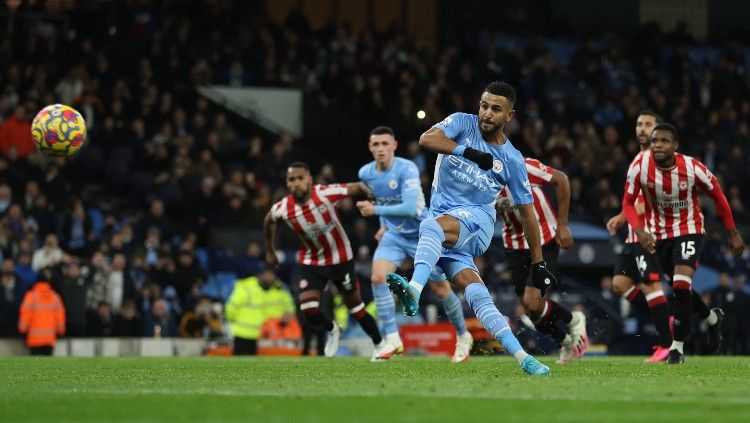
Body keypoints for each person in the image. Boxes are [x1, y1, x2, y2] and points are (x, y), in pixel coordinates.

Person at [386, 81, 554, 375]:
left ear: (510, 116)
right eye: (484, 105)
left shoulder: (512, 159)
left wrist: (538, 262)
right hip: (446, 222)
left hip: (477, 221)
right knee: (477, 295)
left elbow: (528, 215)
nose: (487, 113)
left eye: (496, 109)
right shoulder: (462, 124)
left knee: (432, 227)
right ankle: (524, 358)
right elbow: (427, 139)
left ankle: (413, 289)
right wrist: (468, 152)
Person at [622, 123, 746, 364]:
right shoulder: (639, 166)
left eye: (664, 141)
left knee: (680, 285)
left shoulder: (692, 167)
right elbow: (627, 203)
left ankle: (677, 347)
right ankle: (711, 318)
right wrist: (640, 230)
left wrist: (732, 232)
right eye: (655, 140)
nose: (657, 145)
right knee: (682, 289)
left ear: (675, 146)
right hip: (659, 235)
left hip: (690, 229)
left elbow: (718, 196)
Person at [356, 126, 473, 363]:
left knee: (441, 290)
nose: (380, 149)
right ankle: (392, 339)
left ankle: (463, 336)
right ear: (370, 147)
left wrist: (375, 211)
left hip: (422, 234)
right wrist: (383, 223)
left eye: (384, 144)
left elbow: (409, 207)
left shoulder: (406, 168)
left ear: (394, 146)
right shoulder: (365, 173)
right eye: (375, 144)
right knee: (378, 277)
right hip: (395, 236)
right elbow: (381, 197)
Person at [264, 162, 386, 358]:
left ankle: (380, 344)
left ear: (310, 179)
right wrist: (270, 250)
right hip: (312, 262)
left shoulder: (324, 194)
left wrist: (369, 192)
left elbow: (356, 186)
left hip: (341, 260)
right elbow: (268, 220)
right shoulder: (283, 208)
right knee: (308, 308)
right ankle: (332, 329)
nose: (296, 183)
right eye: (291, 179)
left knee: (355, 308)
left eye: (300, 178)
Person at [497, 157, 587, 364]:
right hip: (514, 244)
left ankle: (574, 320)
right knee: (531, 310)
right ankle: (566, 342)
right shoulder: (480, 179)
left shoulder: (522, 165)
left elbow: (562, 179)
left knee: (531, 301)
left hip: (544, 238)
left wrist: (563, 224)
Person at [606, 111, 675, 362]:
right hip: (634, 234)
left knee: (650, 285)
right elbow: (633, 199)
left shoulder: (658, 159)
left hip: (649, 233)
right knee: (620, 284)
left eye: (648, 125)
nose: (642, 129)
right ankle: (664, 317)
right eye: (639, 124)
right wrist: (621, 217)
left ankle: (667, 345)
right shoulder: (639, 158)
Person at [18, 279, 66, 355]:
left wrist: (22, 330)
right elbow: (60, 316)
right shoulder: (55, 296)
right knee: (47, 364)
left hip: (34, 338)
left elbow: (25, 314)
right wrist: (61, 330)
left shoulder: (31, 296)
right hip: (50, 338)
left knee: (35, 364)